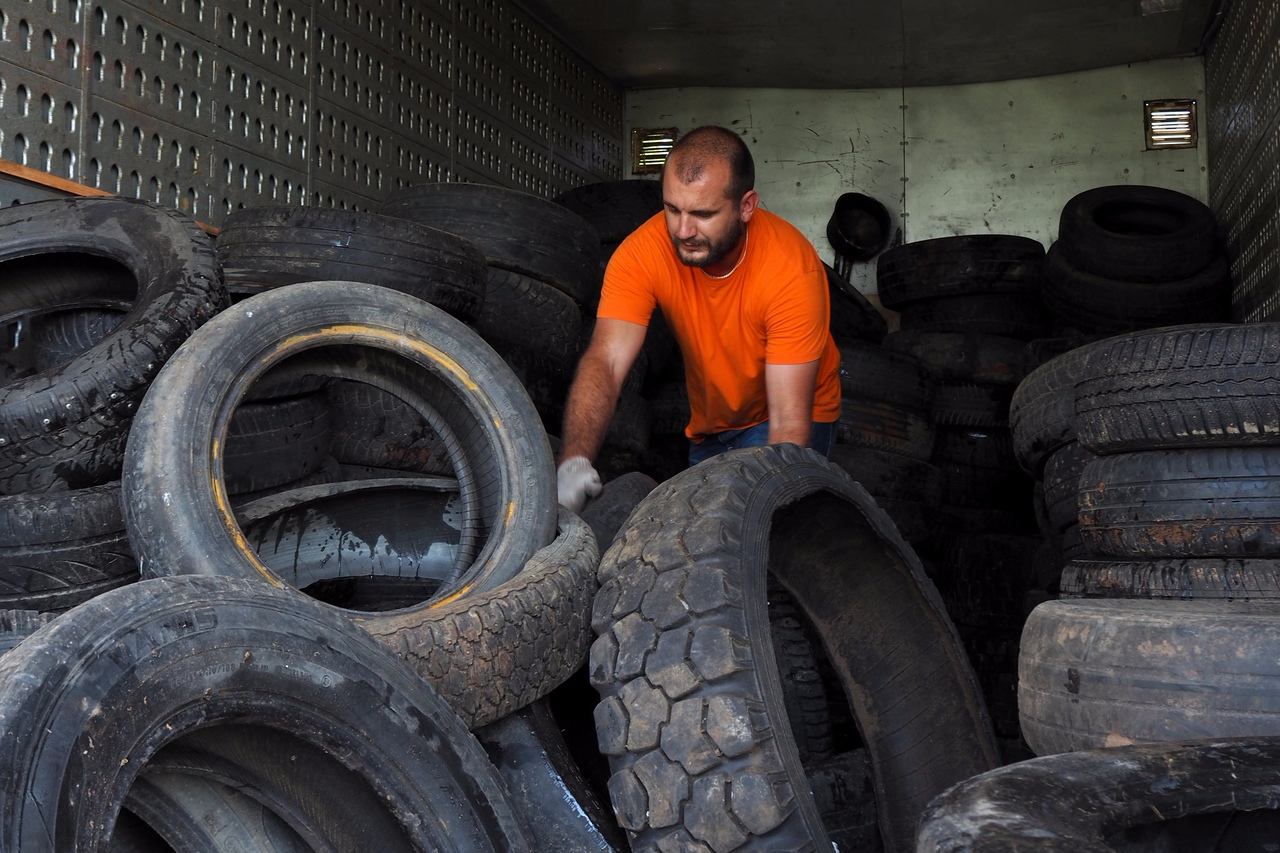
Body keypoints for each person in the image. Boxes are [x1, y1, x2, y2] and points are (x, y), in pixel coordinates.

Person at [556, 125, 842, 512]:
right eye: (672, 209)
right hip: (711, 421)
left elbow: (788, 421)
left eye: (703, 214)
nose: (683, 230)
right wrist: (574, 463)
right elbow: (606, 359)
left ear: (746, 206)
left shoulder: (791, 270)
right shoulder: (642, 252)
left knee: (760, 537)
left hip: (789, 413)